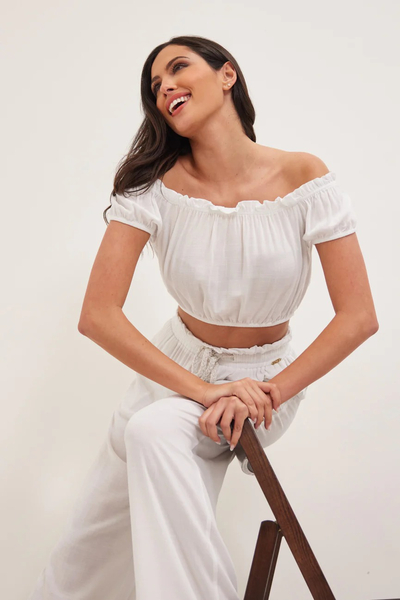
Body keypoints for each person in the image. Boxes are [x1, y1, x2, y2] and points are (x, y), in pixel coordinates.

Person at [28, 35, 379, 600]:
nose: (165, 86)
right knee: (87, 548)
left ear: (227, 75)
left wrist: (264, 393)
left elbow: (358, 316)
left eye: (178, 67)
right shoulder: (153, 186)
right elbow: (97, 315)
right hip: (175, 369)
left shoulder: (303, 175)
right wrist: (206, 390)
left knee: (153, 432)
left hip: (267, 383)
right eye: (154, 85)